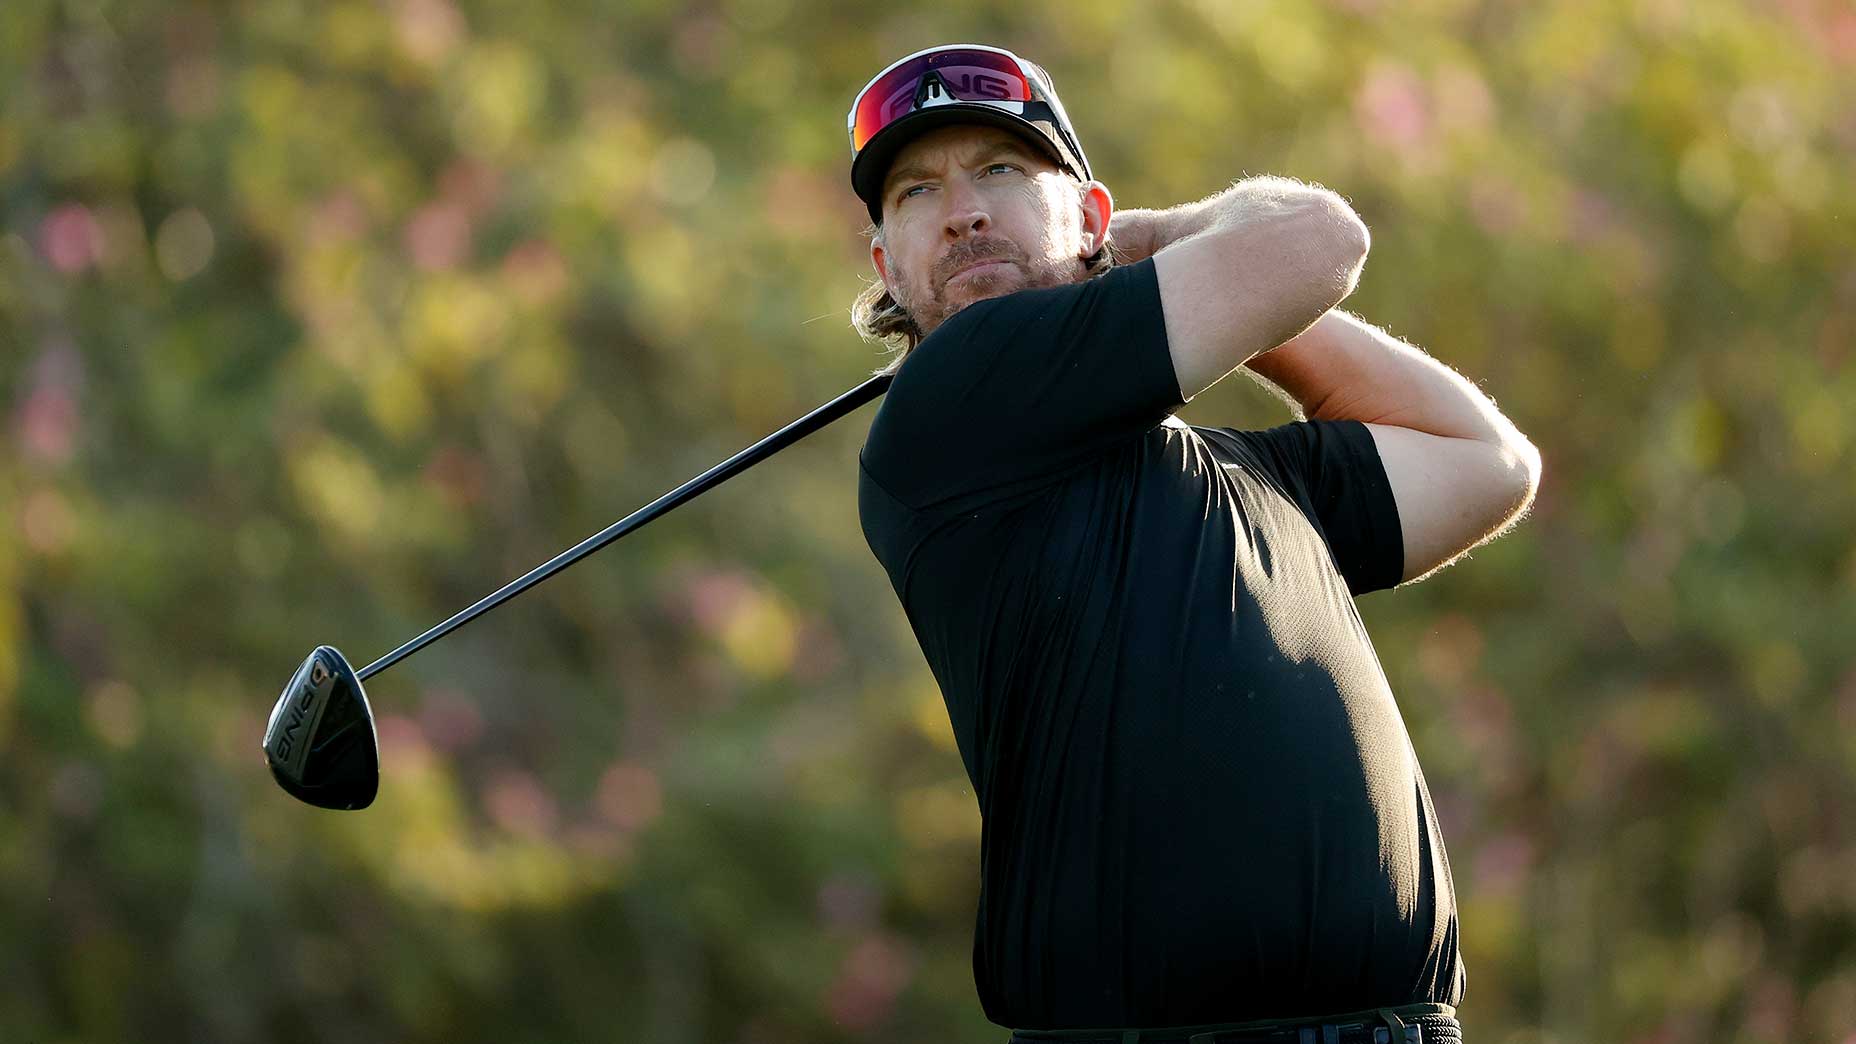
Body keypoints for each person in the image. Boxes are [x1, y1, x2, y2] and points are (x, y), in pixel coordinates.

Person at [847, 44, 1540, 1044]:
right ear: (886, 267)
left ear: (1089, 213)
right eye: (916, 191)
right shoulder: (953, 398)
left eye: (999, 170)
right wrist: (1155, 248)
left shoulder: (1250, 477)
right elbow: (1316, 241)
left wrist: (1158, 270)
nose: (959, 210)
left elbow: (1486, 461)